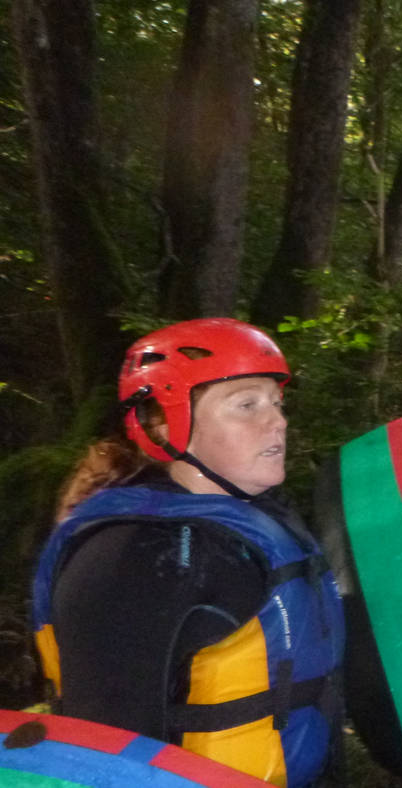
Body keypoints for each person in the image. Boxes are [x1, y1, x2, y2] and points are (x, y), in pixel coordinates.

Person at [30, 318, 345, 788]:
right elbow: (107, 751)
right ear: (163, 425)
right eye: (246, 405)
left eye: (277, 404)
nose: (277, 420)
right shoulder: (132, 555)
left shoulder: (255, 526)